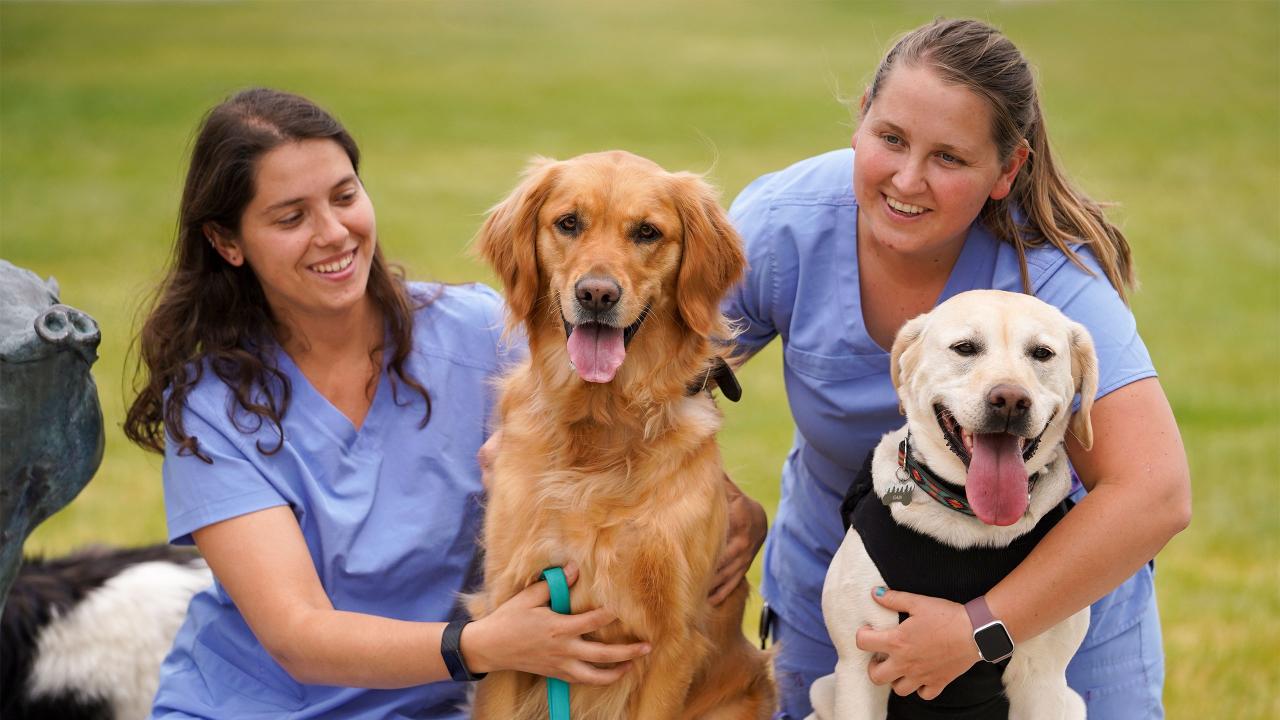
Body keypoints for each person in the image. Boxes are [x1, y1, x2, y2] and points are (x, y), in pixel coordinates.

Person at [124, 88, 651, 719]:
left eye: (344, 197)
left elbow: (641, 461)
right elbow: (297, 634)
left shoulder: (483, 337)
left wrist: (732, 519)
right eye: (291, 218)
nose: (333, 233)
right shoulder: (210, 409)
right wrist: (480, 645)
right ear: (227, 241)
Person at [722, 18, 1191, 719]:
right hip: (850, 577)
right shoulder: (782, 228)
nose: (908, 179)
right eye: (891, 140)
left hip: (1047, 604)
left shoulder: (1056, 287)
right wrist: (718, 497)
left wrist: (980, 631)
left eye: (949, 158)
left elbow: (1154, 493)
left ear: (1007, 171)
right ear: (861, 124)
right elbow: (649, 380)